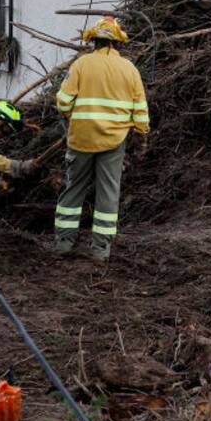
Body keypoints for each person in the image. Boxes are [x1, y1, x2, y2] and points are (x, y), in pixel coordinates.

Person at [52, 17, 149, 262]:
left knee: (74, 188)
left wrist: (70, 115)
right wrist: (141, 138)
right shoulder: (129, 69)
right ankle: (101, 250)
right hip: (114, 140)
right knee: (108, 192)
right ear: (117, 43)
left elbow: (63, 101)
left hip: (81, 138)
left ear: (93, 41)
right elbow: (140, 111)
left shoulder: (81, 64)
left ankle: (64, 243)